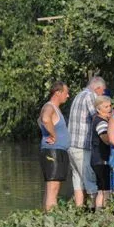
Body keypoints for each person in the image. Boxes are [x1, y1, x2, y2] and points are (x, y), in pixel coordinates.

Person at [68, 76, 106, 208]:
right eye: (103, 91)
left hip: (72, 145)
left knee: (78, 179)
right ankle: (94, 210)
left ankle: (79, 210)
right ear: (98, 88)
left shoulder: (79, 95)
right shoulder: (90, 96)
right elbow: (96, 115)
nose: (103, 95)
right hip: (82, 146)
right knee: (89, 178)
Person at [38, 81, 71, 212]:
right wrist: (53, 134)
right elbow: (45, 119)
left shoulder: (54, 108)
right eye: (66, 93)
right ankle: (51, 221)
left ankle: (46, 218)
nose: (68, 96)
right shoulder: (49, 107)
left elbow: (40, 120)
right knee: (53, 189)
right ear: (58, 93)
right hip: (53, 152)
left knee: (51, 189)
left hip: (56, 151)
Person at [91, 96, 112, 210]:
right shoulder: (101, 123)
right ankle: (106, 213)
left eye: (110, 106)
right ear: (99, 109)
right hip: (101, 159)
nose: (109, 109)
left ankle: (98, 213)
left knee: (100, 189)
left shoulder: (96, 119)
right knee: (106, 190)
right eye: (106, 107)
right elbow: (106, 139)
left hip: (96, 159)